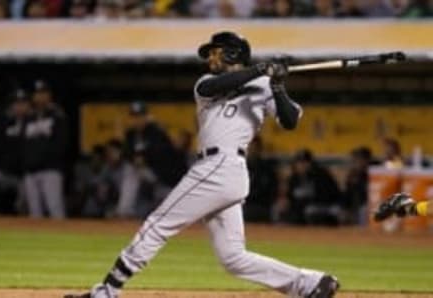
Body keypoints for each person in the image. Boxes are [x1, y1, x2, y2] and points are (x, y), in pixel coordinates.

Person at [64, 31, 339, 298]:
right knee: (233, 258)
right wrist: (262, 69)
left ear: (232, 53)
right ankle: (311, 283)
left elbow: (290, 121)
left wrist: (277, 84)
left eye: (215, 52)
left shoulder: (264, 86)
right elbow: (214, 86)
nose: (210, 58)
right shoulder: (207, 83)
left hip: (223, 166)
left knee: (158, 223)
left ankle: (107, 291)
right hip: (218, 169)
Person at [23, 79, 67, 218]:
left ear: (49, 95)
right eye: (37, 93)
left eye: (43, 93)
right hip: (30, 171)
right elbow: (22, 144)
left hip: (50, 170)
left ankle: (63, 238)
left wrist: (45, 158)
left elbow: (62, 143)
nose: (40, 96)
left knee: (55, 209)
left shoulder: (57, 115)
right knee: (34, 212)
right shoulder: (28, 117)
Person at [284, 149, 342, 226]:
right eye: (298, 162)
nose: (301, 165)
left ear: (310, 163)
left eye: (304, 162)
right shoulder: (294, 178)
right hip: (304, 208)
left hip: (327, 206)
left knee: (310, 210)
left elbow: (326, 197)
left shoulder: (321, 175)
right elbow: (290, 196)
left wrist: (304, 202)